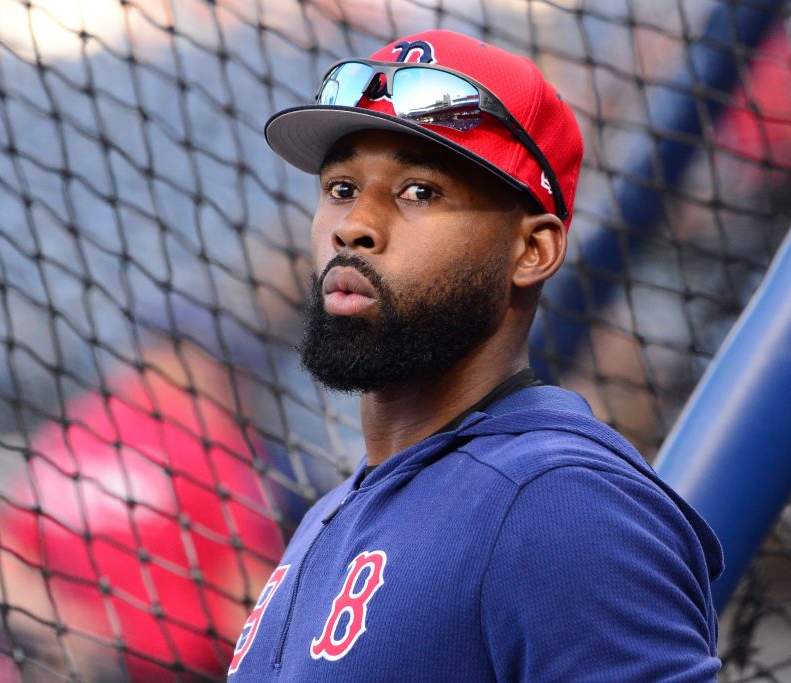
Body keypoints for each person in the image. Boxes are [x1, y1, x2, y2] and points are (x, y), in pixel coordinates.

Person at [227, 29, 724, 681]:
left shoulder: (561, 501)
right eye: (342, 188)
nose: (353, 225)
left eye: (419, 193)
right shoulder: (335, 509)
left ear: (533, 250)